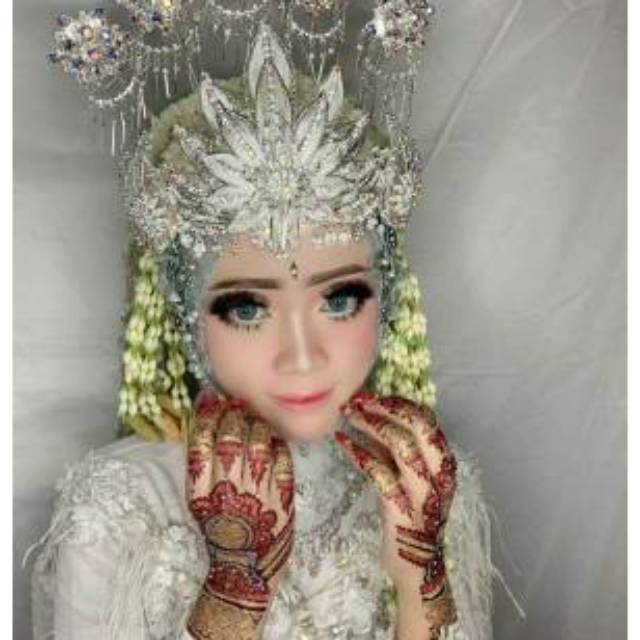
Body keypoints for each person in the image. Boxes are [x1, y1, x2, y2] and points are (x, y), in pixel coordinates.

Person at [25, 4, 509, 639]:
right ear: (182, 315)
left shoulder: (424, 485)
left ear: (388, 298)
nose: (302, 356)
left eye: (340, 300)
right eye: (248, 308)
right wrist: (232, 599)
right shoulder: (123, 503)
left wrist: (420, 582)